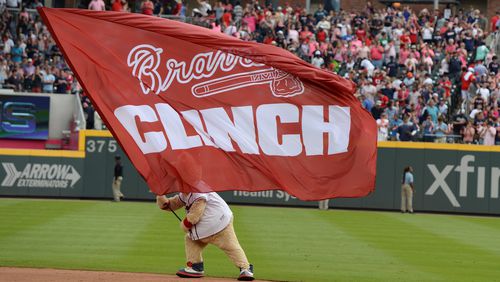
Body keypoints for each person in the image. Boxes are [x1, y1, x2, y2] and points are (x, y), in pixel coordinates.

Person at [156, 192, 254, 281]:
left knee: (230, 246)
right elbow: (173, 204)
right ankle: (196, 266)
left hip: (219, 222)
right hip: (210, 225)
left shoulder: (198, 191)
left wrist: (186, 224)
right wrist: (161, 198)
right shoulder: (186, 193)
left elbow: (196, 213)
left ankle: (245, 268)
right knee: (193, 240)